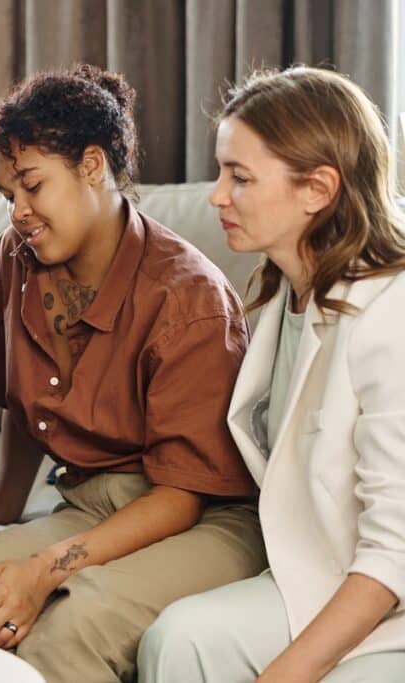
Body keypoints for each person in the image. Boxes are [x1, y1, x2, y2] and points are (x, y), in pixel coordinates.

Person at [0, 64, 266, 683]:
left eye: (32, 185)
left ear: (92, 166)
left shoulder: (187, 299)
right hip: (91, 502)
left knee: (72, 627)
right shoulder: (16, 258)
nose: (19, 212)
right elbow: (24, 410)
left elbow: (182, 496)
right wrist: (1, 512)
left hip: (201, 516)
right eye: (7, 196)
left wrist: (50, 567)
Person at [138, 66, 405, 683]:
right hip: (316, 570)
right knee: (178, 641)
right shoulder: (283, 290)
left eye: (240, 177)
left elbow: (393, 554)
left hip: (387, 589)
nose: (216, 196)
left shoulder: (389, 314)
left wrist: (282, 675)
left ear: (317, 190)